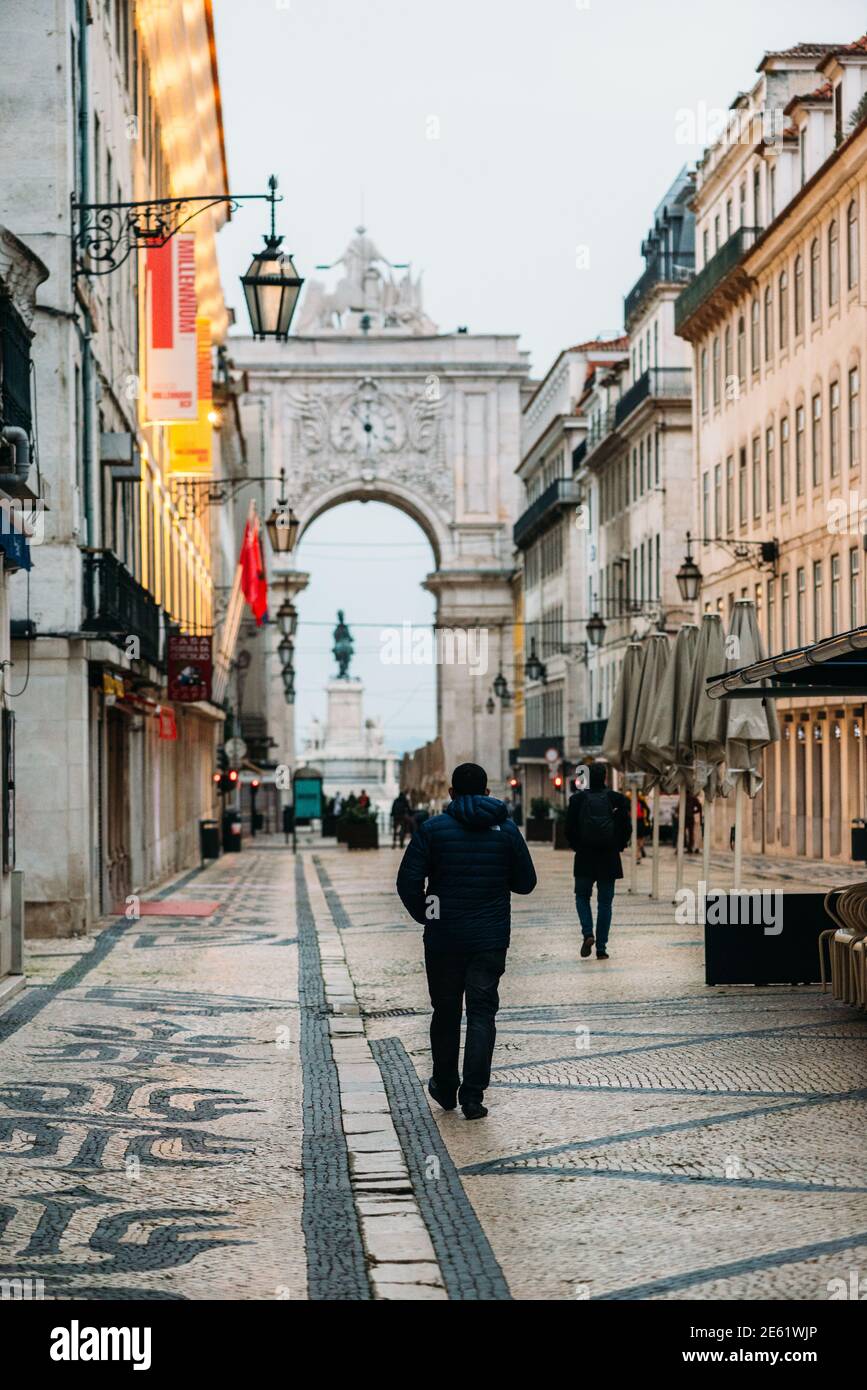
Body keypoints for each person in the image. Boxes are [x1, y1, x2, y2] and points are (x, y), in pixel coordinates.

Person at [396, 763, 537, 1120]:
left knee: (445, 1012)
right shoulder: (505, 829)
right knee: (482, 1013)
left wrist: (428, 913)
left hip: (443, 938)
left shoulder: (432, 829)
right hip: (489, 939)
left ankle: (445, 1086)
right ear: (488, 792)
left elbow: (407, 882)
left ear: (451, 793)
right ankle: (473, 1095)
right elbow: (526, 883)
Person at [565, 763, 631, 961]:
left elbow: (568, 829)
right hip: (609, 857)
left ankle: (588, 934)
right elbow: (626, 828)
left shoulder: (576, 800)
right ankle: (601, 948)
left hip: (585, 856)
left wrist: (578, 846)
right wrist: (617, 846)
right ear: (606, 778)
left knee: (582, 897)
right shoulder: (616, 799)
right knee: (605, 903)